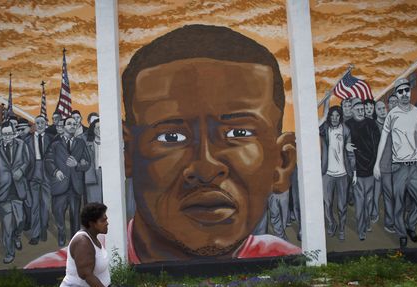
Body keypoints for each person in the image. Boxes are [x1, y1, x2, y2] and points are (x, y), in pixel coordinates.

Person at [122, 24, 300, 263]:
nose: (205, 168)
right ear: (126, 155)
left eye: (238, 132)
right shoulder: (80, 263)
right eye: (171, 137)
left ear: (282, 164)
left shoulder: (287, 259)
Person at [374, 78, 417, 248]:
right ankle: (402, 233)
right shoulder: (392, 115)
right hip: (399, 167)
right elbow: (382, 140)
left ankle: (411, 226)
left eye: (407, 90)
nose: (404, 94)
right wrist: (377, 164)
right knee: (399, 204)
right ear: (396, 94)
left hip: (415, 166)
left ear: (410, 91)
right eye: (400, 91)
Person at [0, 121, 31, 264]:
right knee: (7, 225)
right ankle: (9, 252)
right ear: (1, 133)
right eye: (4, 134)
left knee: (20, 221)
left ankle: (17, 236)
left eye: (9, 134)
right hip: (3, 191)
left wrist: (21, 170)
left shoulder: (21, 145)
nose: (7, 137)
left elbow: (27, 161)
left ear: (13, 133)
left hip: (18, 190)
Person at [45, 116, 91, 246]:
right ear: (63, 126)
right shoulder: (55, 143)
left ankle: (75, 240)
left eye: (74, 124)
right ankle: (61, 231)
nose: (72, 126)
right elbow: (48, 161)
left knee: (75, 215)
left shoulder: (80, 143)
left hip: (75, 185)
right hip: (60, 184)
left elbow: (88, 163)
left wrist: (77, 164)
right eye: (69, 123)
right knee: (57, 212)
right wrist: (56, 172)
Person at [346, 98, 380, 241]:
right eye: (357, 109)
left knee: (369, 202)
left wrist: (375, 165)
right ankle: (361, 230)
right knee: (360, 203)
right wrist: (345, 146)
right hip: (356, 172)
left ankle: (366, 223)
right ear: (352, 110)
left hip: (371, 170)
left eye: (362, 109)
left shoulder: (371, 123)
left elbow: (377, 145)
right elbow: (339, 142)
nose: (360, 112)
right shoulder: (347, 125)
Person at [320, 105, 356, 240]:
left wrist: (354, 172)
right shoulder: (324, 129)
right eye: (332, 116)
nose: (334, 118)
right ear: (329, 117)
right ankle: (332, 223)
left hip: (342, 174)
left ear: (340, 117)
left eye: (337, 116)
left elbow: (351, 153)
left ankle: (341, 228)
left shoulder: (346, 130)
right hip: (327, 173)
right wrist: (326, 103)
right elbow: (315, 125)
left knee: (342, 206)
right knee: (327, 203)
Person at [25, 115, 55, 244]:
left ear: (46, 124)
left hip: (47, 173)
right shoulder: (27, 140)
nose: (40, 124)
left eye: (42, 122)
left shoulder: (51, 139)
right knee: (35, 205)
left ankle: (43, 228)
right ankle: (35, 234)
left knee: (45, 204)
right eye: (37, 123)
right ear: (34, 125)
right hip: (33, 173)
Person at [80, 116, 103, 204]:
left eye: (102, 127)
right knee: (94, 204)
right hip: (93, 174)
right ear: (92, 129)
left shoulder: (111, 142)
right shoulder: (87, 143)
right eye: (97, 128)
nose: (100, 130)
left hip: (108, 175)